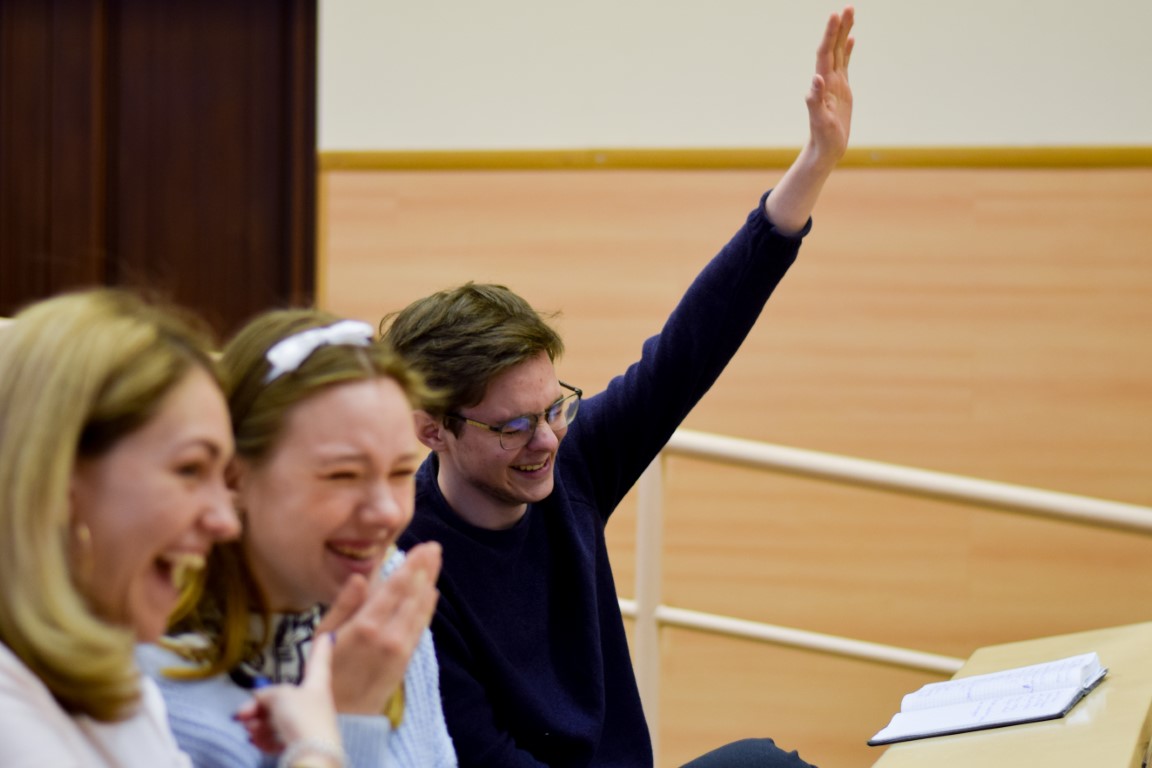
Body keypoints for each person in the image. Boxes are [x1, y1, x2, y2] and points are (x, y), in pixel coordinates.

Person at [379, 7, 856, 767]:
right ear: (432, 428)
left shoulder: (570, 464)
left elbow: (689, 349)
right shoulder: (407, 569)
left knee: (768, 763)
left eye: (553, 408)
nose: (545, 440)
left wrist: (815, 165)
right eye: (513, 426)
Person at [0, 289, 345, 768]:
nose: (225, 522)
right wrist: (319, 747)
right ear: (54, 475)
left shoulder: (114, 680)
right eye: (189, 470)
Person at [138, 308, 457, 767]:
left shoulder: (388, 590)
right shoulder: (154, 680)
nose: (387, 512)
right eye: (343, 475)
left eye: (401, 472)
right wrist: (347, 718)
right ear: (233, 478)